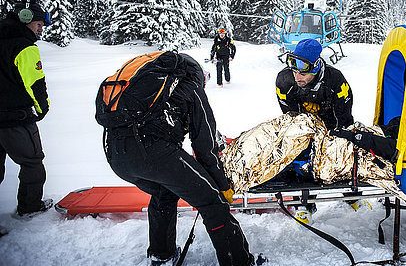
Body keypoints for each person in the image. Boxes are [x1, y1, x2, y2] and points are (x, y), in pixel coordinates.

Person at [104, 53, 258, 266]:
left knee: (163, 192)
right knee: (212, 202)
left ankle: (162, 255)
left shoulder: (153, 87)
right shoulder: (191, 89)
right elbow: (205, 147)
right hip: (152, 152)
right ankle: (239, 263)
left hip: (115, 155)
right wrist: (221, 186)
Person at [275, 38, 355, 221]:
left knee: (340, 154)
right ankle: (304, 201)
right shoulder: (284, 81)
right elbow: (291, 117)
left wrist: (335, 141)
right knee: (299, 154)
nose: (296, 77)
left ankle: (349, 193)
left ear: (315, 67)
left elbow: (345, 118)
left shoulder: (336, 81)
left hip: (332, 124)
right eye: (293, 71)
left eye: (302, 74)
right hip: (304, 125)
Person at [0, 1, 53, 217]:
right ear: (25, 19)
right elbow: (35, 83)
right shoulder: (25, 47)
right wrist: (42, 108)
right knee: (32, 162)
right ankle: (30, 206)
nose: (40, 30)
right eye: (39, 24)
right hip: (15, 118)